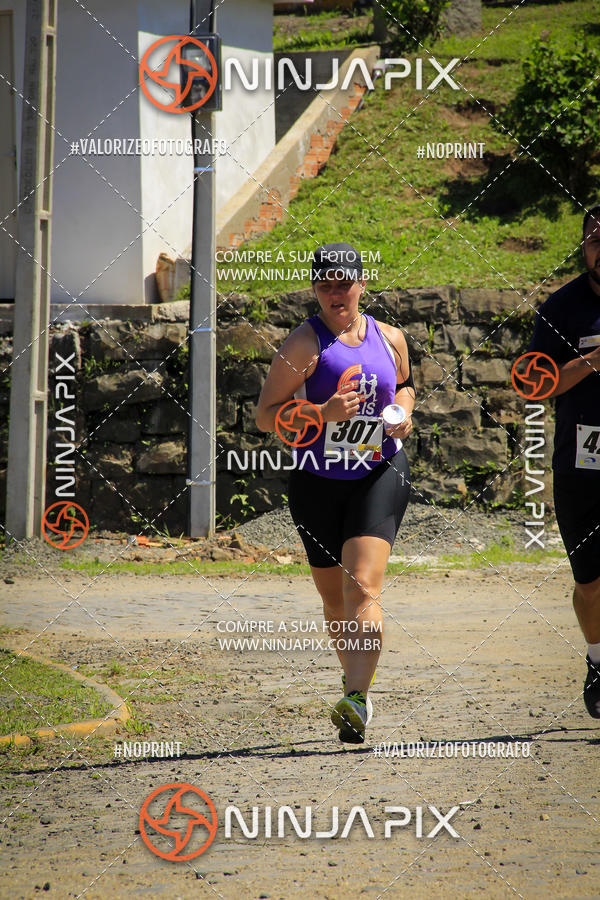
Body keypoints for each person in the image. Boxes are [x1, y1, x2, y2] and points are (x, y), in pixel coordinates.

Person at [256, 243, 415, 743]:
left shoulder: (391, 338)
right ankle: (354, 687)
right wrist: (322, 414)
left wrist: (403, 413)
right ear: (315, 288)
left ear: (362, 284)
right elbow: (266, 417)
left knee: (362, 586)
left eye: (343, 283)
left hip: (378, 473)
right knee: (333, 599)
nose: (334, 293)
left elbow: (407, 385)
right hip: (317, 482)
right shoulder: (303, 345)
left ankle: (357, 697)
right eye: (324, 284)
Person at [529, 205, 600, 719]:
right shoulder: (561, 308)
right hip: (581, 463)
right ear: (583, 245)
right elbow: (537, 384)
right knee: (589, 582)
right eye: (596, 240)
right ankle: (597, 661)